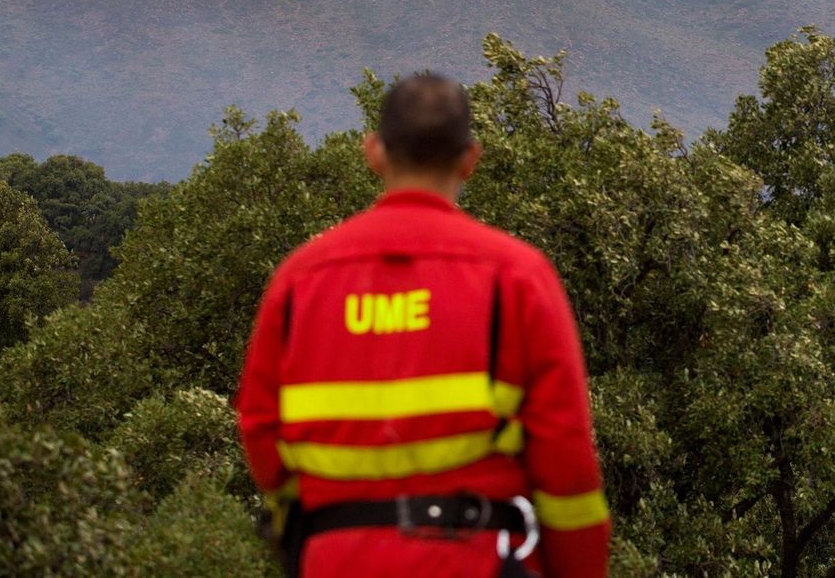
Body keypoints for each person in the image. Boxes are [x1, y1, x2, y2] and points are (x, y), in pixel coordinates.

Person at [236, 73, 610, 577]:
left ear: (374, 152)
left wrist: (310, 522)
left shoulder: (302, 278)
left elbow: (259, 426)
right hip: (472, 558)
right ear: (470, 159)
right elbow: (565, 460)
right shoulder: (515, 276)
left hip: (334, 559)